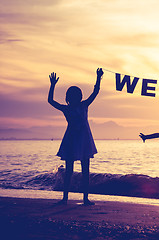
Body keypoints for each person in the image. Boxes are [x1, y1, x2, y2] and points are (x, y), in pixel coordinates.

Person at [48, 68, 104, 205]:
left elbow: (95, 92)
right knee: (71, 171)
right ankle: (66, 198)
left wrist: (98, 78)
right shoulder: (70, 108)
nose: (75, 97)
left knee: (84, 170)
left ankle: (84, 198)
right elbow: (50, 100)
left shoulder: (83, 105)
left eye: (76, 95)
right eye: (73, 95)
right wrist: (53, 85)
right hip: (74, 140)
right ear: (70, 97)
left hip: (82, 140)